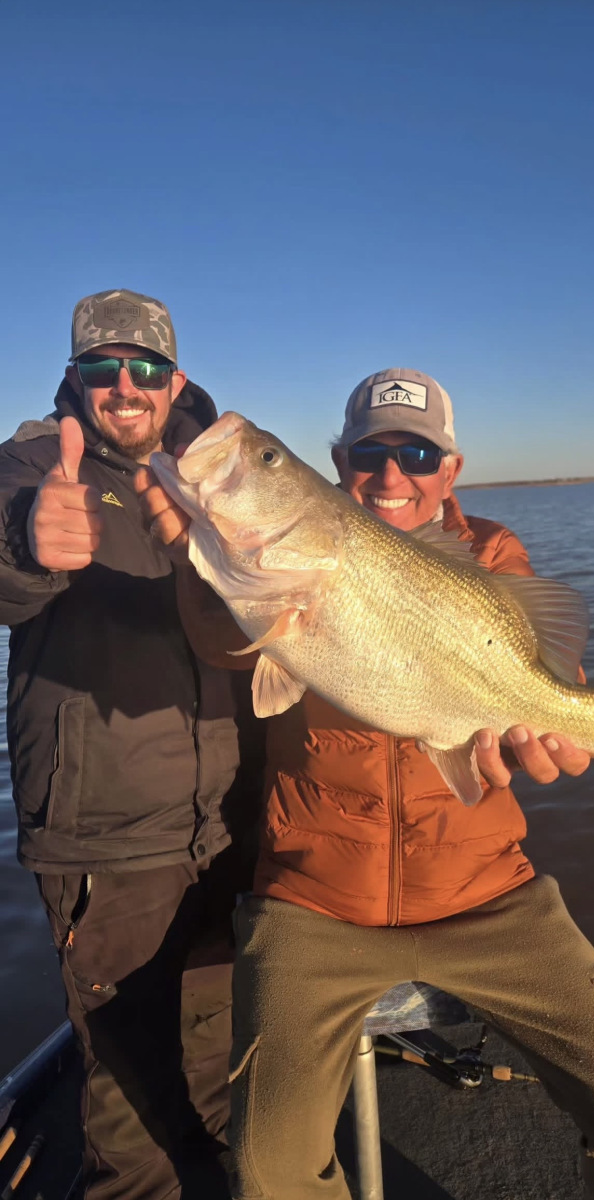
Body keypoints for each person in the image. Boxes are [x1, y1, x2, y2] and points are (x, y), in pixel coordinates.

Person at [139, 368, 594, 1200]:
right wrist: (195, 553)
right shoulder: (260, 565)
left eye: (419, 454)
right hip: (313, 899)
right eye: (369, 453)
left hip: (485, 891)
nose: (392, 474)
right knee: (268, 1167)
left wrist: (564, 719)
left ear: (450, 468)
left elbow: (546, 664)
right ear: (338, 464)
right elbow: (221, 640)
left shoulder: (488, 550)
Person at [0, 289, 249, 1200]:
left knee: (214, 1052)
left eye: (145, 367)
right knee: (130, 1102)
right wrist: (25, 543)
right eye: (103, 369)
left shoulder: (221, 469)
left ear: (174, 379)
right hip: (106, 841)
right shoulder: (35, 462)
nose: (126, 386)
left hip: (228, 824)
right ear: (76, 378)